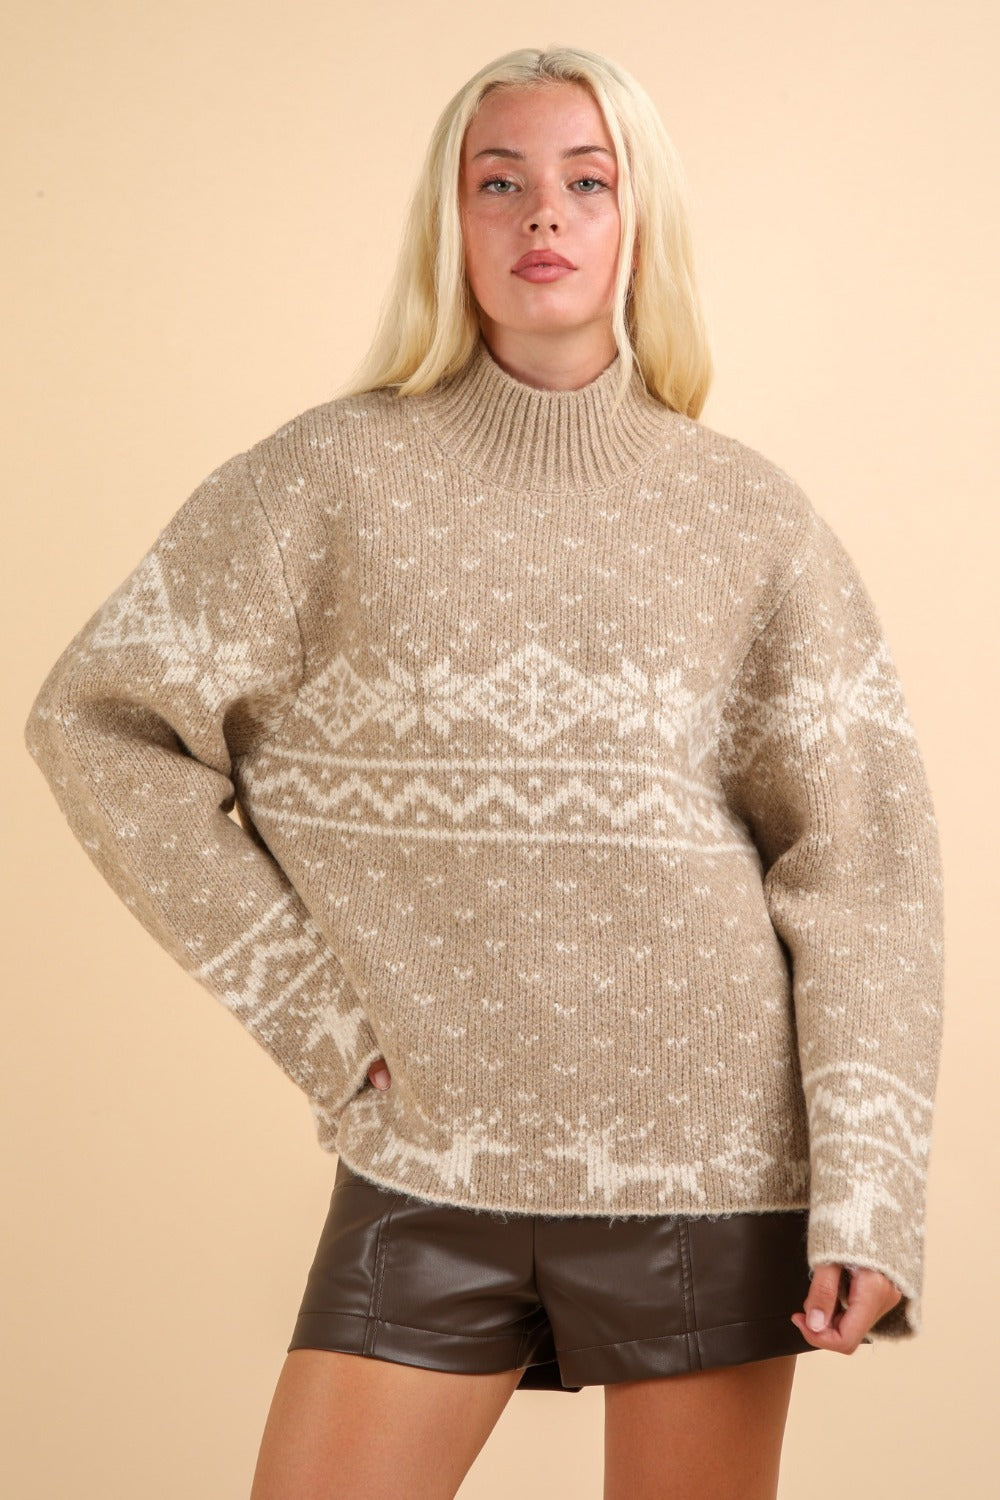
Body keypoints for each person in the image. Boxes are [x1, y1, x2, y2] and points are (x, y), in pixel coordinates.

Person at [24, 44, 944, 1500]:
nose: (544, 216)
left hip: (707, 1164)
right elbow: (96, 723)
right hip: (428, 1157)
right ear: (448, 222)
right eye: (499, 183)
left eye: (589, 181)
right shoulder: (321, 482)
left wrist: (873, 1193)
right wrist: (319, 1016)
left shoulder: (749, 520)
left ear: (639, 220)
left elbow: (866, 874)